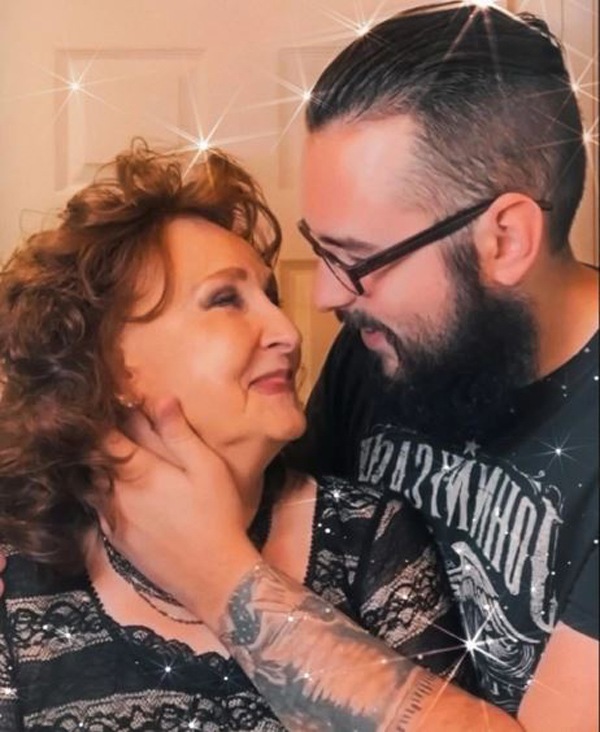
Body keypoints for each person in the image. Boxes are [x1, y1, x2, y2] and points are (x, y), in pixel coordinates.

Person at [87, 3, 598, 732]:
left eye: (357, 260)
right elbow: (281, 506)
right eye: (318, 248)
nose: (322, 299)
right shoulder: (384, 346)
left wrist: (216, 575)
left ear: (505, 239)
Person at [0, 140, 474, 730]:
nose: (287, 332)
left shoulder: (366, 534)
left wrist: (225, 570)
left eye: (271, 298)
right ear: (112, 365)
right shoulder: (26, 568)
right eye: (225, 299)